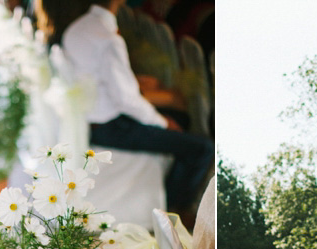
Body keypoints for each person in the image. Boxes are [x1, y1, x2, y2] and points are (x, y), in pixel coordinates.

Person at [60, 0, 214, 216]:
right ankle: (173, 210)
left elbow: (105, 80)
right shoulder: (108, 38)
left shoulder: (78, 27)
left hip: (92, 117)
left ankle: (163, 188)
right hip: (111, 126)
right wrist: (162, 122)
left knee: (181, 118)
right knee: (202, 148)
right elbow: (127, 100)